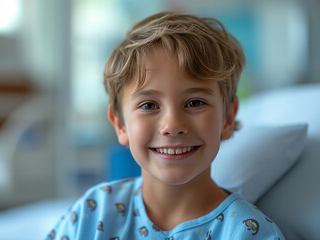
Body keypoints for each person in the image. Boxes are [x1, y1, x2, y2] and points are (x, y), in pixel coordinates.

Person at [46, 12, 284, 239]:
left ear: (228, 118)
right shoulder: (93, 211)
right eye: (149, 105)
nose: (172, 125)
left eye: (194, 102)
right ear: (120, 124)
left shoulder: (248, 233)